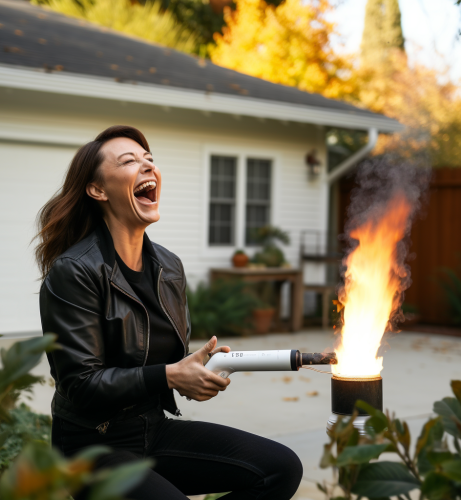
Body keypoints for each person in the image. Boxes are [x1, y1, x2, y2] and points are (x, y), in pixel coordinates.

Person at [36, 125, 303, 499]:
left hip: (152, 430)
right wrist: (171, 376)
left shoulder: (168, 266)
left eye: (150, 160)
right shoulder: (75, 270)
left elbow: (166, 365)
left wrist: (197, 372)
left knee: (280, 468)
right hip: (91, 447)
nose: (147, 167)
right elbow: (80, 385)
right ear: (97, 190)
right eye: (129, 161)